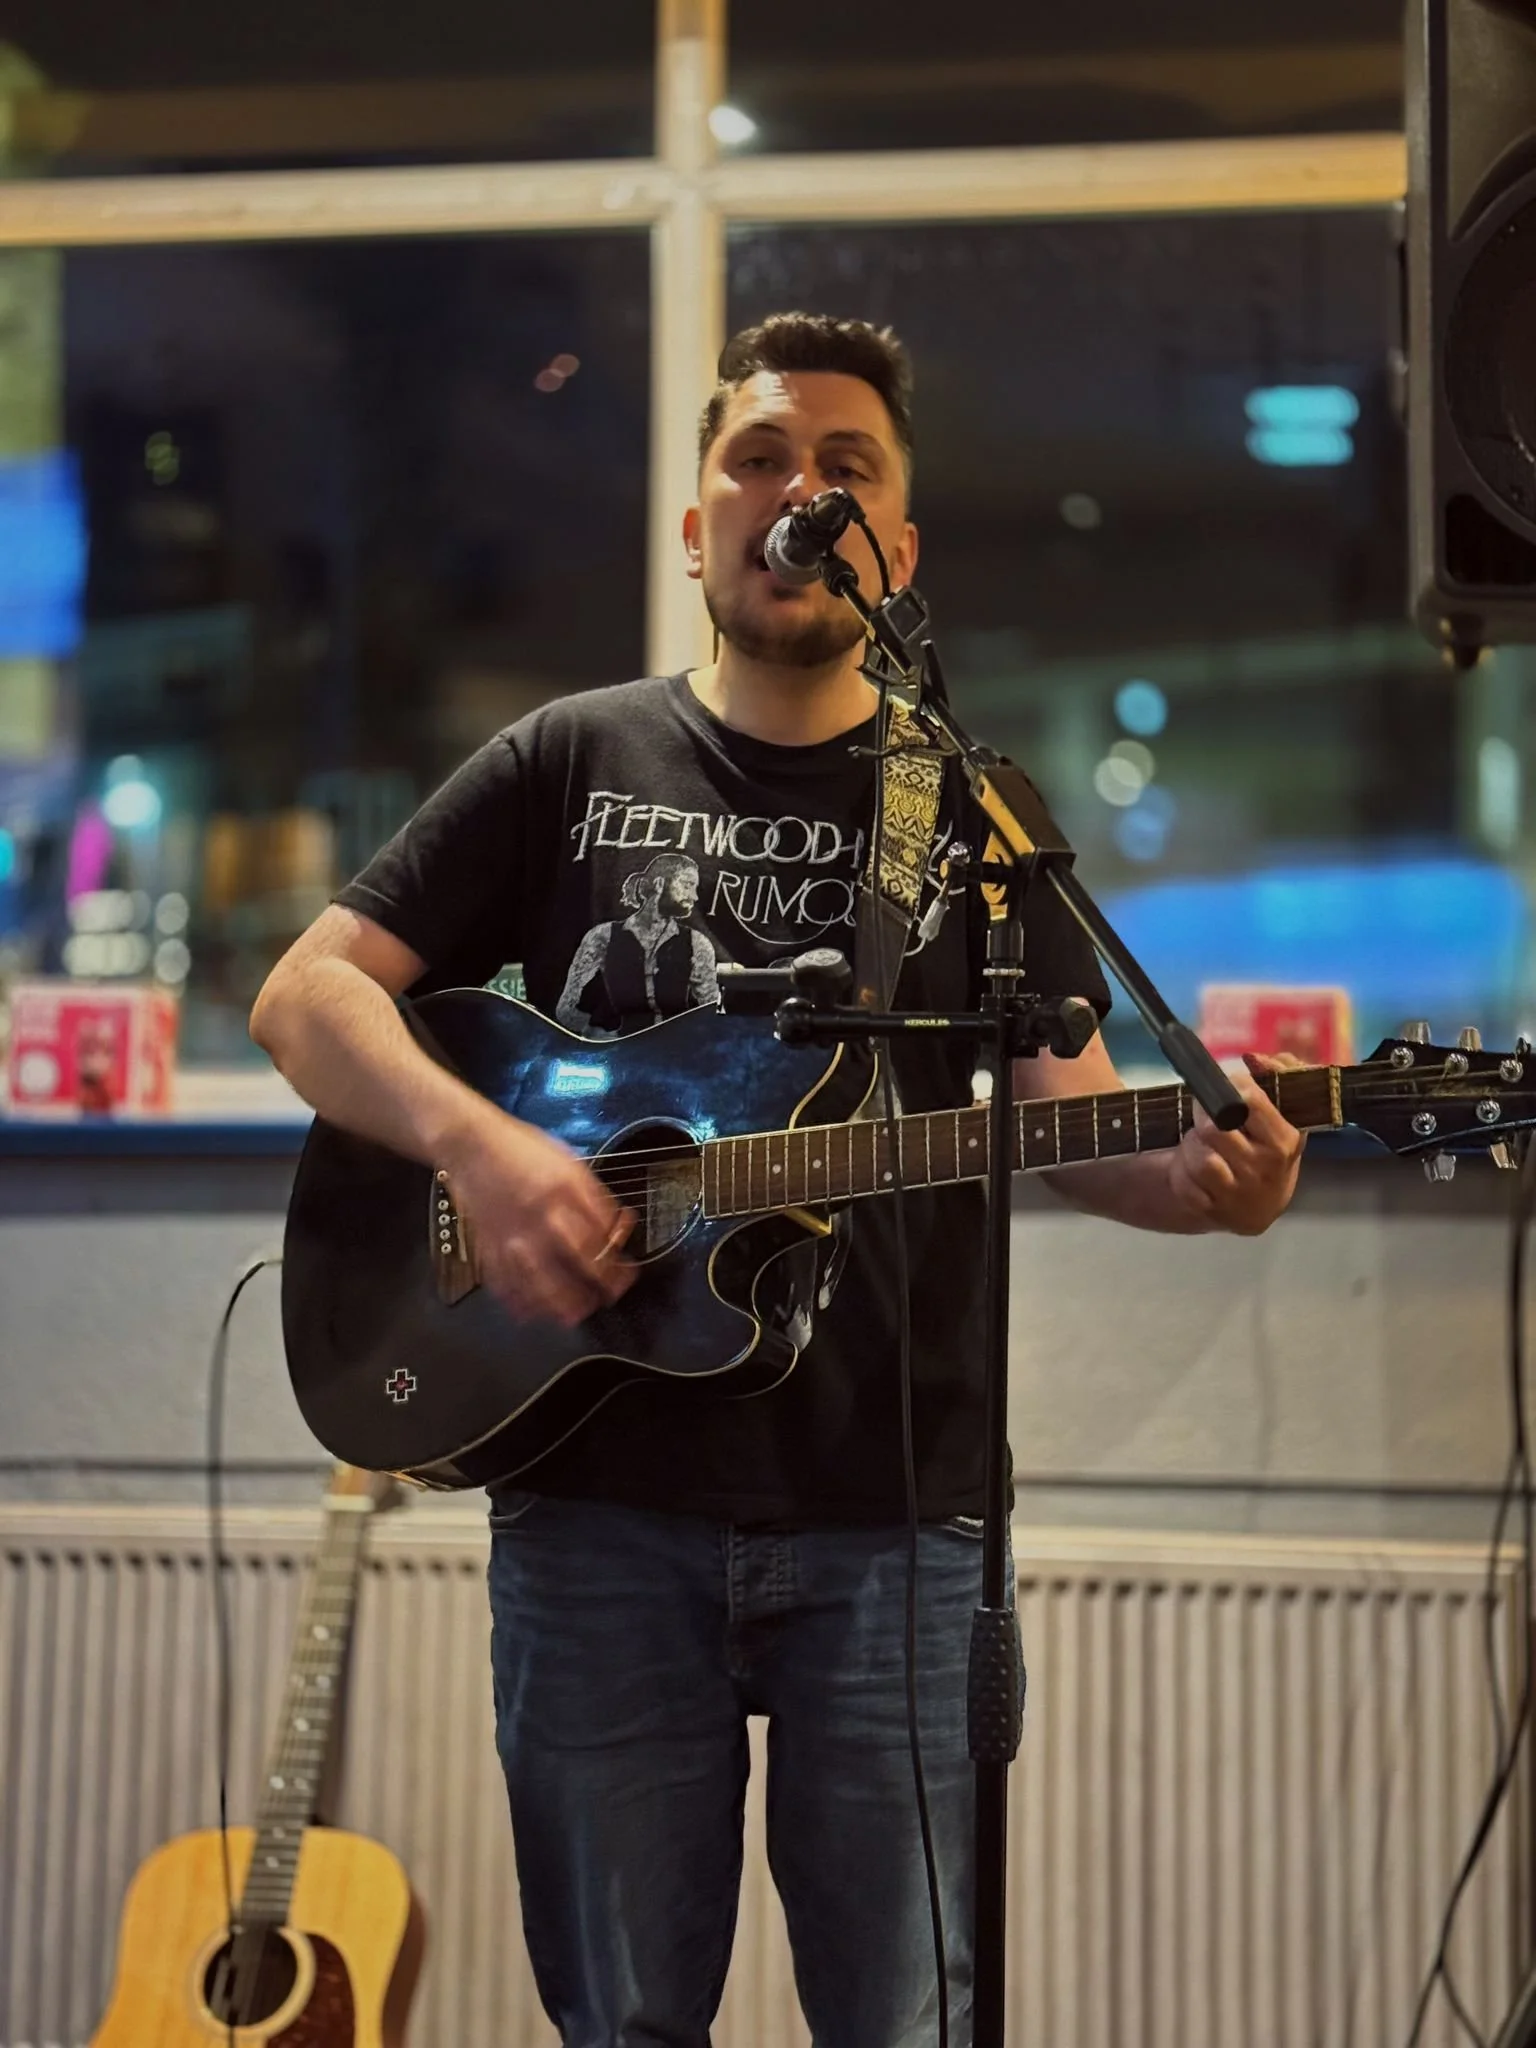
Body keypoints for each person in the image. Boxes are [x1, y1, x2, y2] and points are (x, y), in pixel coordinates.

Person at [250, 312, 1303, 2048]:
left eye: (844, 467)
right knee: (622, 2023)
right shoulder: (568, 761)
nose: (797, 490)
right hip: (597, 1507)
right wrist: (483, 1151)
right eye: (758, 460)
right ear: (696, 527)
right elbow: (308, 998)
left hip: (897, 1516)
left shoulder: (966, 808)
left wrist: (1209, 1186)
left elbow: (1075, 1112)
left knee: (904, 2024)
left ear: (898, 547)